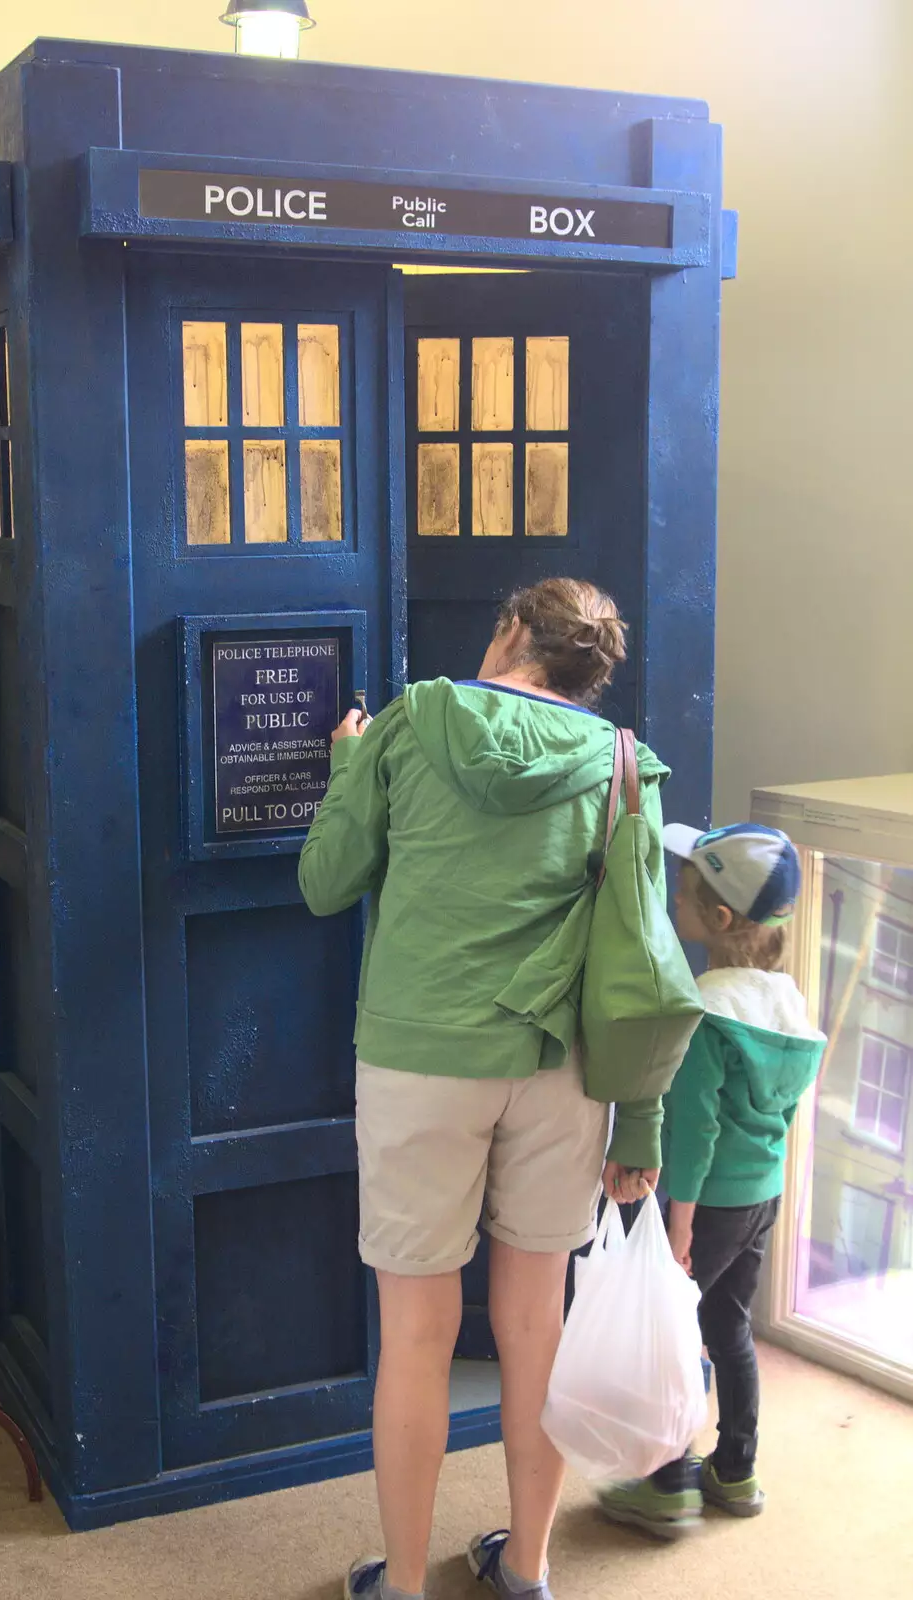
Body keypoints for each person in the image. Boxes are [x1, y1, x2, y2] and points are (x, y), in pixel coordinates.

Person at [298, 578, 669, 1600]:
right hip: (560, 1075)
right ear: (587, 673)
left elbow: (324, 882)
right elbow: (640, 966)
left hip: (420, 1061)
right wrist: (636, 1118)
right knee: (533, 1326)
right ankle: (528, 1566)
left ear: (509, 630)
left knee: (416, 1332)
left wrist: (343, 762)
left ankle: (403, 1585)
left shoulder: (414, 721)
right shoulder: (621, 765)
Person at [598, 824, 826, 1539]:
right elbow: (784, 1112)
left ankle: (667, 1482)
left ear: (718, 920)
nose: (676, 894)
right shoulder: (788, 1006)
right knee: (729, 1327)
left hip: (711, 1202)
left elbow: (692, 1133)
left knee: (666, 1334)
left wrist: (682, 1222)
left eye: (687, 888)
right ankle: (737, 1469)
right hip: (762, 1196)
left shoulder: (708, 1014)